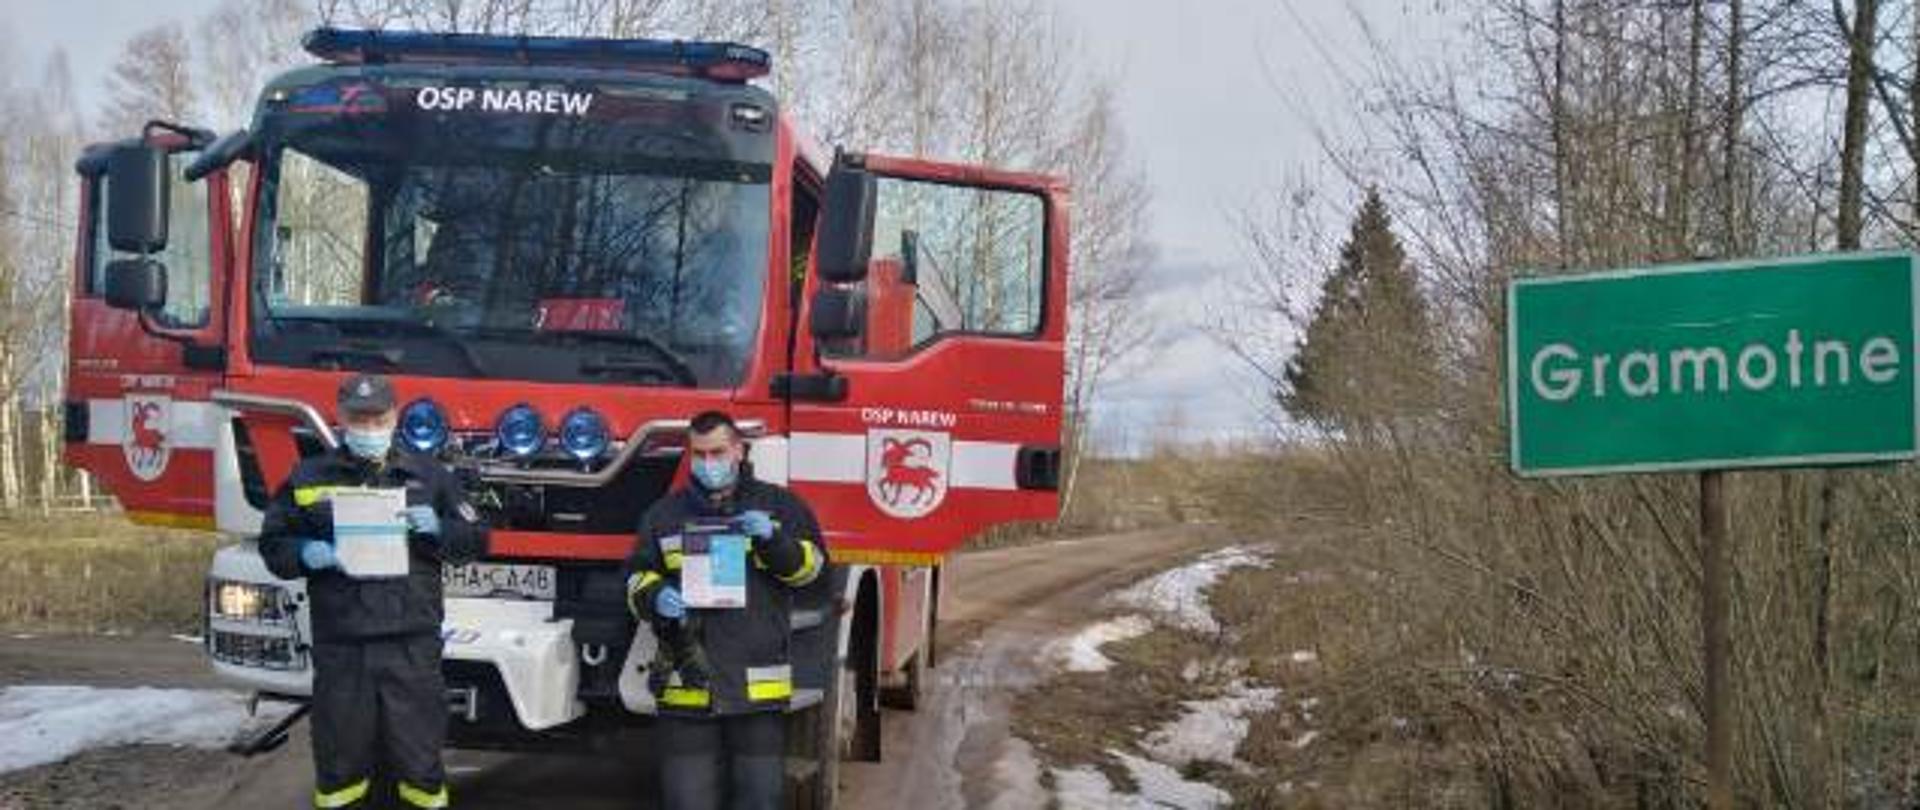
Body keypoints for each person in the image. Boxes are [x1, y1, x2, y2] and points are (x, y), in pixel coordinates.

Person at [259, 373, 490, 809]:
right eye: (359, 419)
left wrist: (443, 529)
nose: (368, 428)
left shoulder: (430, 475)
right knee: (341, 769)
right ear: (341, 418)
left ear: (394, 416)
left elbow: (478, 538)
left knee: (419, 768)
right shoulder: (307, 477)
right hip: (343, 645)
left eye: (378, 418)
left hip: (412, 643)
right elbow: (274, 544)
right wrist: (305, 551)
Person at [626, 410, 829, 810]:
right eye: (699, 454)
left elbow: (814, 578)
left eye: (718, 452)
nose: (709, 463)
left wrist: (774, 540)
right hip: (688, 691)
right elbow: (634, 581)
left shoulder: (781, 507)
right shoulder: (664, 515)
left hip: (756, 694)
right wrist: (656, 597)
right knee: (688, 803)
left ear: (739, 450)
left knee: (760, 802)